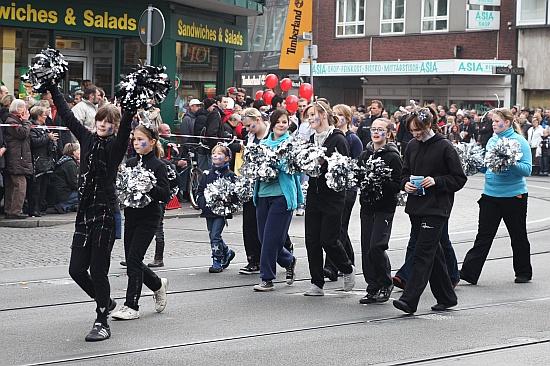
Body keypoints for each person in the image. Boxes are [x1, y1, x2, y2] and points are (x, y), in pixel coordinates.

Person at [48, 83, 132, 341]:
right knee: (76, 270)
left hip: (105, 212)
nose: (103, 125)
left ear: (114, 126)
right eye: (100, 120)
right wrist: (53, 85)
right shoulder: (85, 138)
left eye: (108, 122)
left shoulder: (116, 146)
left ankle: (101, 319)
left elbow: (127, 124)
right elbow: (67, 114)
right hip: (84, 214)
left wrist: (130, 102)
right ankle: (105, 301)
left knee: (98, 270)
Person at [393, 106, 466, 314]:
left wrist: (437, 181)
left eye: (418, 130)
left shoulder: (445, 147)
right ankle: (446, 296)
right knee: (434, 253)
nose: (415, 134)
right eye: (412, 130)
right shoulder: (411, 146)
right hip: (416, 206)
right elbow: (404, 173)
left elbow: (459, 178)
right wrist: (405, 184)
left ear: (428, 125)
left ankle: (410, 299)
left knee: (423, 252)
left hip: (437, 208)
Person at [460, 108, 533, 285]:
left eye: (496, 121)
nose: (493, 124)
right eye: (492, 121)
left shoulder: (519, 141)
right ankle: (469, 273)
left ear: (507, 122)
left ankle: (523, 272)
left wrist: (511, 162)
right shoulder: (492, 140)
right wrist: (476, 165)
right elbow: (490, 166)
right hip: (490, 195)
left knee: (518, 236)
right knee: (483, 236)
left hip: (514, 197)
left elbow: (527, 170)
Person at [111, 123, 170, 321]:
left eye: (140, 139)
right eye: (134, 139)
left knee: (134, 260)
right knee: (131, 260)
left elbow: (165, 194)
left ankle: (131, 305)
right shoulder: (130, 163)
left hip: (149, 217)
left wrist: (149, 188)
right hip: (131, 216)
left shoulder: (158, 166)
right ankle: (157, 284)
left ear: (152, 142)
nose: (136, 143)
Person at [302, 100, 356, 296]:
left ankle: (347, 268)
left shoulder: (338, 139)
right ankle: (317, 283)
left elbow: (343, 170)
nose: (310, 119)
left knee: (329, 239)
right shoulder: (311, 139)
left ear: (323, 115)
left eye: (313, 115)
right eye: (308, 116)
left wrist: (324, 163)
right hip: (314, 195)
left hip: (333, 197)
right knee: (311, 240)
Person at [252, 110, 303, 291]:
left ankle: (267, 278)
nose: (282, 125)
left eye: (285, 122)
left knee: (270, 240)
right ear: (272, 123)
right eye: (279, 121)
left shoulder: (291, 143)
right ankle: (289, 260)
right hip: (263, 196)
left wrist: (274, 161)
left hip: (282, 197)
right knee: (264, 238)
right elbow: (254, 167)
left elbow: (295, 170)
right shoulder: (263, 143)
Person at [357, 118, 402, 304]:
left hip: (384, 208)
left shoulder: (393, 156)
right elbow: (358, 177)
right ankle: (372, 287)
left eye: (380, 130)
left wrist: (380, 180)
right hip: (367, 207)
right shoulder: (364, 154)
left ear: (389, 133)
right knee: (367, 248)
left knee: (377, 246)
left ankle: (385, 282)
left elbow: (397, 184)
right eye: (373, 129)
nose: (376, 133)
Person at [323, 104, 362, 281]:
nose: (337, 117)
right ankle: (347, 261)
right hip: (331, 188)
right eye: (334, 114)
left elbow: (356, 164)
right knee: (338, 228)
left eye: (340, 115)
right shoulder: (330, 135)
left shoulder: (353, 139)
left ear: (347, 117)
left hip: (347, 189)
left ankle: (331, 266)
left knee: (338, 228)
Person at [196, 144, 237, 273]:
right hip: (208, 210)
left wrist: (227, 203)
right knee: (213, 235)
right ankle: (227, 252)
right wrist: (202, 203)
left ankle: (217, 261)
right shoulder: (207, 174)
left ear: (227, 158)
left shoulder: (230, 175)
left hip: (221, 212)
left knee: (215, 235)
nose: (215, 156)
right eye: (214, 153)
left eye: (219, 154)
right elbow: (200, 190)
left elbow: (235, 194)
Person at [239, 108, 270, 274]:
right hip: (250, 184)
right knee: (249, 223)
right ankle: (253, 259)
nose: (248, 130)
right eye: (246, 127)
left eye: (250, 126)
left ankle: (284, 248)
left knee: (267, 224)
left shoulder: (271, 136)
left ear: (258, 120)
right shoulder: (249, 138)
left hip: (267, 185)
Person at [3, 99, 32, 219]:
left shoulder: (14, 120)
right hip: (16, 158)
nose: (26, 110)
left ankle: (10, 209)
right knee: (19, 185)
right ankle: (14, 211)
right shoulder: (12, 121)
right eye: (24, 108)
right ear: (19, 109)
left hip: (17, 157)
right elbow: (22, 133)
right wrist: (26, 122)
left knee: (13, 185)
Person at [28, 105, 58, 217]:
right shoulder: (32, 127)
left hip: (46, 160)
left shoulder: (44, 126)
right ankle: (34, 209)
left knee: (43, 187)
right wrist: (48, 137)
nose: (45, 117)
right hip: (37, 160)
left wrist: (52, 142)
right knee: (35, 188)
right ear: (38, 116)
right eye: (44, 115)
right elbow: (34, 142)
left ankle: (40, 207)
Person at [50, 142, 80, 213]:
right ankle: (63, 205)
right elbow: (73, 183)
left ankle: (67, 206)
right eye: (78, 150)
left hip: (59, 192)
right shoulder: (70, 164)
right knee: (86, 194)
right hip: (64, 193)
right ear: (73, 152)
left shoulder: (65, 160)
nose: (80, 152)